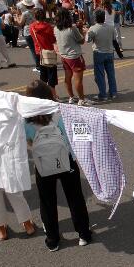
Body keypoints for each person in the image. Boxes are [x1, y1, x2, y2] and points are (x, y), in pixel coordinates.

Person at [24, 80, 92, 251]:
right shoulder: (61, 112)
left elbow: (28, 141)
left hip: (42, 163)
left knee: (47, 201)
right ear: (49, 95)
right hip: (66, 159)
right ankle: (83, 234)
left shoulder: (25, 119)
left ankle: (52, 239)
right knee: (74, 196)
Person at [0, 77, 36, 241]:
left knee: (14, 191)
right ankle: (0, 225)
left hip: (5, 156)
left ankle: (26, 221)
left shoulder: (4, 107)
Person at [54, 8, 93, 106]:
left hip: (64, 56)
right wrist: (81, 30)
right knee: (78, 79)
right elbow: (81, 41)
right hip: (74, 56)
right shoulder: (72, 29)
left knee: (68, 77)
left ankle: (71, 96)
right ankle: (81, 99)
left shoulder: (55, 28)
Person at [86, 9, 118, 101]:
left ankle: (103, 94)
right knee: (111, 74)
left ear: (95, 18)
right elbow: (113, 38)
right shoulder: (110, 27)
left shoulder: (93, 28)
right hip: (109, 52)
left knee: (100, 75)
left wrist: (87, 31)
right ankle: (113, 92)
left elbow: (87, 40)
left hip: (99, 53)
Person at [29, 9, 58, 99]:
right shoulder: (48, 27)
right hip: (48, 51)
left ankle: (43, 94)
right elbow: (52, 40)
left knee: (43, 74)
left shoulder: (32, 27)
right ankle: (53, 94)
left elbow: (33, 38)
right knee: (52, 75)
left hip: (39, 52)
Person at [15, 0, 38, 72]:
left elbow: (20, 23)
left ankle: (38, 66)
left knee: (33, 49)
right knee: (38, 48)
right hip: (36, 30)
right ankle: (41, 64)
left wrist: (16, 17)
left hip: (28, 31)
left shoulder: (25, 13)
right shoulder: (36, 11)